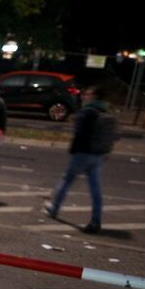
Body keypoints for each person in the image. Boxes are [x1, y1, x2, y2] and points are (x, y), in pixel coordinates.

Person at [44, 86, 115, 234]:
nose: (84, 96)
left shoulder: (88, 111)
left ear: (94, 96)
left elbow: (79, 133)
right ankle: (96, 220)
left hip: (83, 154)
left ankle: (54, 209)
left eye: (87, 94)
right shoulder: (105, 110)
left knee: (66, 180)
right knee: (95, 189)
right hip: (98, 155)